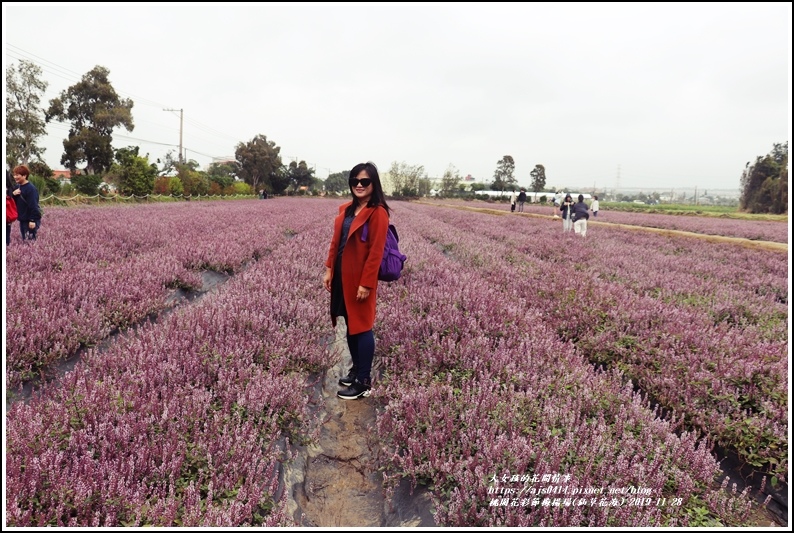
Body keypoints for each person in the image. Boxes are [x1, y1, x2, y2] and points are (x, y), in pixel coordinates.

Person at [323, 161, 391, 400]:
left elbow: (375, 252)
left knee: (362, 327)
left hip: (361, 279)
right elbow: (336, 242)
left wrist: (366, 283)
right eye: (355, 181)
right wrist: (329, 268)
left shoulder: (378, 212)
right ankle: (356, 371)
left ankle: (363, 381)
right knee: (350, 324)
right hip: (342, 275)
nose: (359, 185)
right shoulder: (347, 210)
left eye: (365, 181)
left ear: (374, 184)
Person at [11, 165, 41, 241]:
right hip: (22, 218)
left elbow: (34, 205)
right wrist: (13, 194)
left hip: (29, 219)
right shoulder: (17, 187)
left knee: (29, 242)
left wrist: (32, 220)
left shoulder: (31, 189)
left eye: (17, 175)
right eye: (14, 175)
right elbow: (12, 202)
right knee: (25, 240)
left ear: (24, 176)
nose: (15, 177)